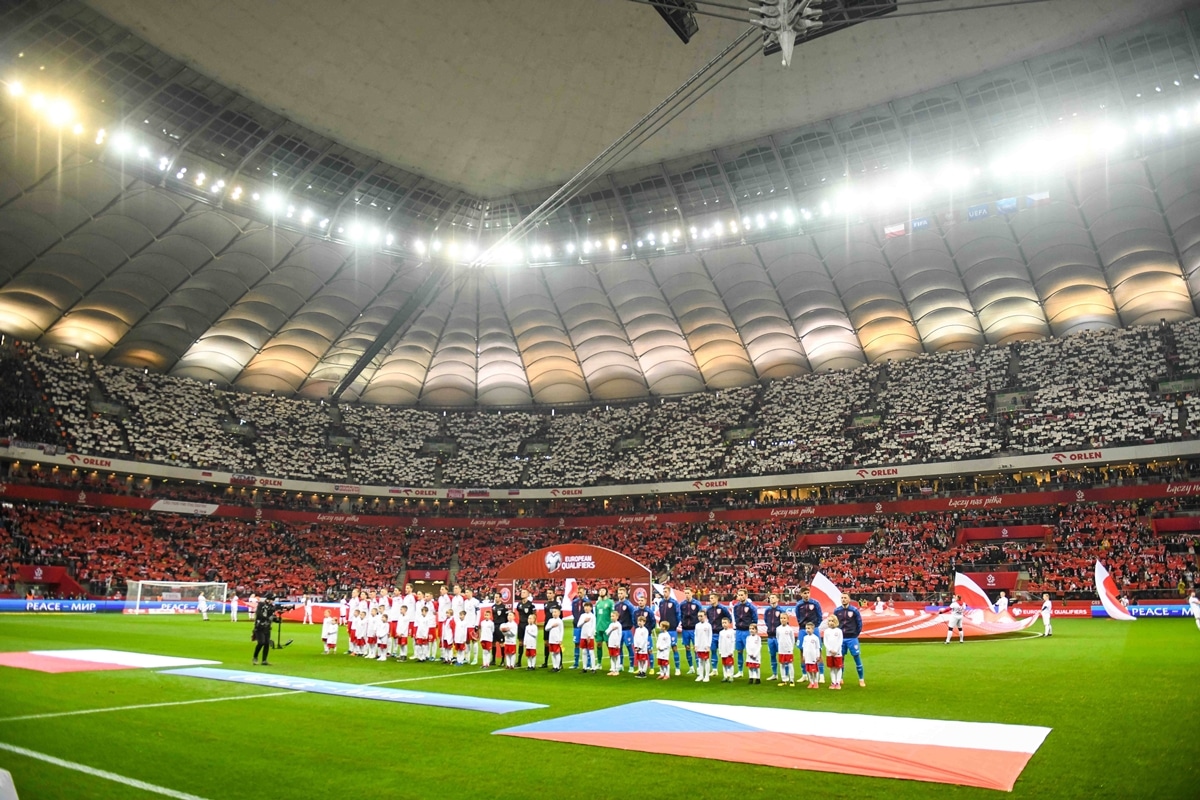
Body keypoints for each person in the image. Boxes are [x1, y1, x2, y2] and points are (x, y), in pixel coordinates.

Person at [833, 593, 865, 687]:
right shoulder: (837, 611)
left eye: (845, 598)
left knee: (856, 657)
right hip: (841, 639)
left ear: (849, 599)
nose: (843, 599)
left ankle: (861, 679)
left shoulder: (854, 610)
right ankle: (840, 678)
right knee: (841, 658)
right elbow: (835, 623)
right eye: (842, 598)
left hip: (852, 638)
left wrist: (855, 634)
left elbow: (859, 623)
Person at [795, 587, 825, 683]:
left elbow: (820, 616)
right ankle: (804, 675)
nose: (807, 594)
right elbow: (798, 617)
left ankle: (821, 675)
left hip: (814, 629)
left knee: (818, 650)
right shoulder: (799, 605)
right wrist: (802, 625)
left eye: (808, 592)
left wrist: (815, 626)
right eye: (804, 593)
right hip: (803, 630)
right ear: (801, 594)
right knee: (802, 651)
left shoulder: (815, 603)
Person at [731, 589, 757, 677]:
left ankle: (753, 670)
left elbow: (755, 619)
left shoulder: (751, 607)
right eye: (739, 595)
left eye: (742, 595)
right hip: (738, 631)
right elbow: (735, 617)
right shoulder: (736, 606)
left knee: (750, 651)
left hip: (747, 631)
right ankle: (740, 671)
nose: (740, 597)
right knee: (739, 651)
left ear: (746, 596)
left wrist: (752, 630)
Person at [657, 587, 681, 675]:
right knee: (661, 648)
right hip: (662, 630)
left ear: (669, 592)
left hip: (671, 629)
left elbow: (678, 615)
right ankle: (662, 669)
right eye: (663, 592)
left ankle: (677, 669)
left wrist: (674, 624)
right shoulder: (661, 602)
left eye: (666, 592)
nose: (664, 593)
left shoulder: (674, 602)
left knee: (674, 647)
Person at [705, 592, 732, 670]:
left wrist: (725, 627)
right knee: (713, 650)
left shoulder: (723, 608)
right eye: (710, 598)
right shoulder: (708, 609)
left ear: (717, 598)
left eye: (712, 598)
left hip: (721, 634)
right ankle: (714, 669)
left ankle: (727, 669)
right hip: (712, 634)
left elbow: (729, 618)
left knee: (724, 651)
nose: (711, 600)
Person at [614, 587, 638, 672]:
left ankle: (631, 666)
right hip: (618, 630)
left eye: (621, 593)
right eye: (619, 593)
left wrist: (633, 625)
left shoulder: (629, 604)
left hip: (627, 630)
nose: (620, 595)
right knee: (619, 647)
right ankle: (621, 665)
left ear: (625, 594)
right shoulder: (616, 605)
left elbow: (633, 615)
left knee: (629, 647)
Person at [679, 588, 702, 675]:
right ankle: (691, 668)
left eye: (688, 593)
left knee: (696, 649)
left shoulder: (697, 603)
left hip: (694, 629)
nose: (687, 595)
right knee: (687, 648)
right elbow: (680, 615)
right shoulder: (682, 604)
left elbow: (701, 614)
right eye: (685, 593)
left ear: (692, 593)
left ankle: (699, 668)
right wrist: (682, 622)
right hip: (685, 629)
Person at [763, 592, 784, 681]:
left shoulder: (781, 610)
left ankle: (784, 675)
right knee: (772, 655)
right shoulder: (767, 611)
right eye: (770, 598)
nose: (771, 599)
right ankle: (774, 674)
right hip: (770, 637)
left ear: (777, 599)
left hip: (779, 637)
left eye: (773, 597)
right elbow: (766, 621)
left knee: (782, 655)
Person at [251, 594, 275, 666]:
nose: (272, 601)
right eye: (271, 600)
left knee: (267, 643)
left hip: (267, 627)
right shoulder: (261, 605)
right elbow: (259, 614)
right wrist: (267, 618)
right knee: (261, 642)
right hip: (259, 627)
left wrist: (276, 619)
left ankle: (264, 660)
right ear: (267, 599)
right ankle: (255, 657)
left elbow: (272, 616)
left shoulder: (272, 607)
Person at [594, 587, 614, 666]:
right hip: (598, 627)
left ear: (606, 592)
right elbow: (596, 615)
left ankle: (612, 663)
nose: (601, 592)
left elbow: (613, 614)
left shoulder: (610, 602)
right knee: (598, 645)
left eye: (603, 590)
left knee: (609, 645)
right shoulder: (598, 603)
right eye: (600, 590)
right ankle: (599, 663)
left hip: (607, 627)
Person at [823, 616, 844, 690]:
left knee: (838, 667)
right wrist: (830, 649)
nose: (831, 623)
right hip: (829, 653)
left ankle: (838, 682)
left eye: (832, 621)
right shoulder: (826, 631)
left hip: (837, 653)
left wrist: (835, 650)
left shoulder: (839, 631)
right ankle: (833, 682)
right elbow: (825, 642)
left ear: (835, 622)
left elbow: (840, 641)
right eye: (829, 621)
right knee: (832, 668)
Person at [776, 611, 796, 687]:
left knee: (790, 665)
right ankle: (784, 680)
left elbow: (792, 639)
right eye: (781, 618)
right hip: (781, 649)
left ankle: (791, 680)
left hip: (788, 650)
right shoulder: (778, 629)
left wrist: (791, 648)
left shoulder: (790, 629)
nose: (783, 619)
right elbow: (778, 638)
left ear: (787, 619)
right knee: (782, 665)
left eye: (784, 618)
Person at [542, 589, 561, 669]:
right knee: (546, 643)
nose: (548, 595)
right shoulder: (545, 604)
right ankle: (545, 662)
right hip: (547, 624)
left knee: (557, 644)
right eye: (547, 593)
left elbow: (561, 615)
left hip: (555, 627)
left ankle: (560, 663)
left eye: (550, 593)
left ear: (554, 594)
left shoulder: (557, 604)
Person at [515, 589, 536, 662]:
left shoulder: (531, 604)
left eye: (524, 592)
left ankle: (530, 661)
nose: (522, 594)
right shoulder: (519, 604)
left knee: (528, 643)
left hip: (528, 626)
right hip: (521, 624)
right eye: (521, 592)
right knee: (520, 642)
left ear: (527, 594)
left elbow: (534, 615)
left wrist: (533, 625)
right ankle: (519, 661)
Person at [491, 591, 510, 666]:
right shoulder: (493, 607)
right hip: (494, 626)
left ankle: (502, 660)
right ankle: (493, 660)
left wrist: (504, 626)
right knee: (493, 643)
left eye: (497, 597)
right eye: (495, 597)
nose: (496, 598)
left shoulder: (504, 607)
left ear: (500, 598)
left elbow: (506, 617)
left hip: (501, 626)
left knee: (501, 643)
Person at [577, 601, 597, 672]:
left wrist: (589, 635)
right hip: (583, 635)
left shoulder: (592, 616)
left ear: (591, 608)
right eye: (585, 606)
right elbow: (578, 625)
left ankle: (593, 667)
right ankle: (584, 667)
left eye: (588, 606)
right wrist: (584, 621)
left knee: (591, 652)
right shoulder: (582, 616)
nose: (586, 608)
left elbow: (593, 627)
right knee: (584, 651)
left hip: (590, 636)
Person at [801, 621, 822, 690]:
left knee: (815, 671)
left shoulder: (815, 638)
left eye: (809, 628)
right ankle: (811, 682)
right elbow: (804, 647)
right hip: (807, 657)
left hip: (813, 657)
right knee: (809, 670)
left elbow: (817, 648)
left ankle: (816, 682)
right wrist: (803, 655)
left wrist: (818, 655)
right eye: (806, 628)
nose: (807, 630)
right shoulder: (805, 638)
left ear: (813, 629)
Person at [693, 613, 713, 683]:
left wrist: (708, 645)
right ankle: (701, 675)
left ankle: (707, 676)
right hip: (699, 645)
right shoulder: (697, 625)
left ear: (705, 616)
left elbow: (710, 636)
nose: (700, 617)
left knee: (706, 660)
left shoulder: (708, 625)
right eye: (698, 616)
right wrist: (696, 645)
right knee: (700, 660)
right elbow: (696, 636)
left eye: (701, 616)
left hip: (705, 645)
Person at [570, 587, 587, 669]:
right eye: (578, 592)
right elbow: (573, 612)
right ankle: (576, 663)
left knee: (586, 644)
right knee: (576, 644)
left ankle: (588, 663)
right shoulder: (574, 602)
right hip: (576, 626)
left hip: (585, 627)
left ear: (584, 592)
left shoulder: (587, 602)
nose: (579, 594)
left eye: (581, 592)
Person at [545, 607, 565, 672]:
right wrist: (551, 626)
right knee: (552, 653)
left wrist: (560, 639)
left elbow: (562, 631)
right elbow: (546, 628)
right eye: (553, 612)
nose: (554, 613)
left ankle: (557, 667)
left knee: (557, 653)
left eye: (555, 612)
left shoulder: (560, 621)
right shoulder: (550, 620)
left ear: (559, 613)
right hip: (551, 639)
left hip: (557, 639)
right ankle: (554, 666)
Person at [717, 617, 736, 683]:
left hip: (729, 651)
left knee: (730, 665)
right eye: (723, 623)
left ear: (729, 623)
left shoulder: (732, 632)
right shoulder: (721, 632)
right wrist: (720, 651)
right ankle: (725, 676)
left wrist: (731, 651)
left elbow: (733, 641)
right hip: (723, 651)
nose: (724, 624)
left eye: (725, 623)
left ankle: (731, 676)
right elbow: (720, 642)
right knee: (724, 664)